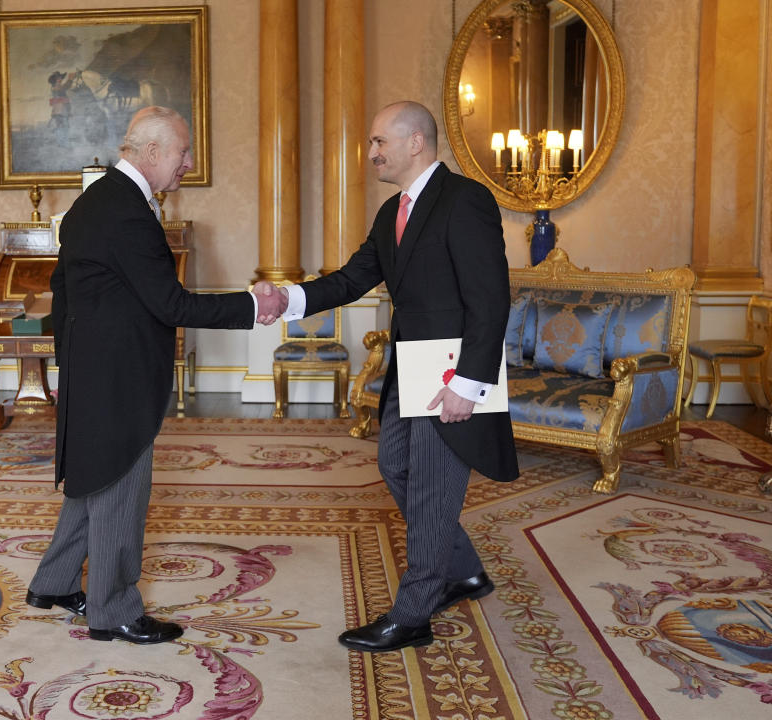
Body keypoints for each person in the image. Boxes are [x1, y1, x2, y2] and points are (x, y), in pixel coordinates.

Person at [257, 101, 518, 653]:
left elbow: (490, 299)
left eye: (379, 142)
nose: (371, 153)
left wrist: (467, 385)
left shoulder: (465, 200)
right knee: (394, 463)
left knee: (428, 484)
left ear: (416, 143)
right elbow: (353, 278)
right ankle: (465, 570)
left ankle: (415, 611)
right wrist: (289, 298)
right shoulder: (391, 212)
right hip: (410, 369)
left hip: (450, 375)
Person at [26, 106, 287, 646]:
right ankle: (113, 611)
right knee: (120, 487)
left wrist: (74, 359)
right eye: (182, 152)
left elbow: (63, 290)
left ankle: (52, 583)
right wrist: (250, 305)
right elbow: (171, 304)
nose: (188, 163)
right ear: (149, 152)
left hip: (91, 366)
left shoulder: (92, 201)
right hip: (118, 376)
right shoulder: (127, 211)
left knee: (90, 481)